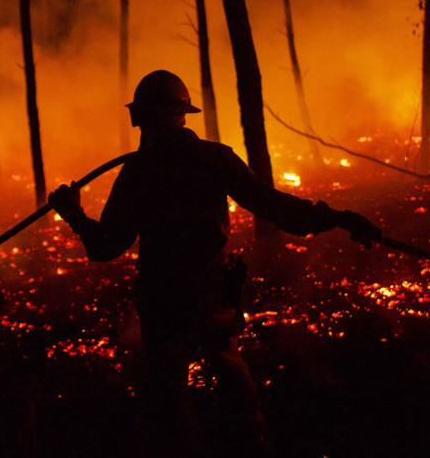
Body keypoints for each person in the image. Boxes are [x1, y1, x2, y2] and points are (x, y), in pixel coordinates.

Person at [48, 70, 381, 456]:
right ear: (182, 114)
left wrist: (74, 214)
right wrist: (335, 218)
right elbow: (273, 206)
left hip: (164, 305)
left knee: (173, 409)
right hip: (210, 301)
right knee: (235, 392)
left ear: (141, 117)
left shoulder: (139, 172)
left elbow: (105, 247)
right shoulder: (210, 159)